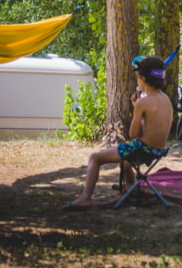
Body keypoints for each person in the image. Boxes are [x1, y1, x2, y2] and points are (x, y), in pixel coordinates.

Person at [62, 56, 173, 211]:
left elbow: (133, 134)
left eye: (138, 78)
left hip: (143, 149)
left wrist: (136, 108)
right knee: (127, 162)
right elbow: (151, 129)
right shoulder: (166, 99)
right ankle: (130, 188)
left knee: (95, 158)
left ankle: (85, 198)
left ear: (143, 78)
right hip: (158, 150)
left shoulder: (143, 102)